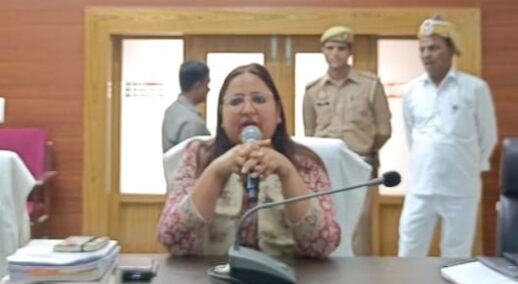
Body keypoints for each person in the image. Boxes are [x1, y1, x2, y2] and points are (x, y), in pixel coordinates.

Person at [157, 63, 340, 259]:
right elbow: (171, 239)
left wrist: (288, 174)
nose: (247, 109)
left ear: (278, 111)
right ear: (221, 115)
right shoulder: (198, 156)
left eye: (259, 99)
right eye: (236, 101)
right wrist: (215, 172)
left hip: (290, 276)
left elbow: (324, 245)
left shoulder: (304, 162)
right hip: (212, 275)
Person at [398, 16, 497, 258]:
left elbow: (488, 136)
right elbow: (411, 136)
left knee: (456, 253)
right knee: (409, 249)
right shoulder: (411, 91)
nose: (426, 55)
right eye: (422, 49)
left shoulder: (474, 88)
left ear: (452, 49)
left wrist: (469, 167)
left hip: (460, 187)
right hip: (421, 186)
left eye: (434, 48)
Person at [303, 25, 391, 255]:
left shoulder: (369, 85)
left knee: (359, 228)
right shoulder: (312, 90)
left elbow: (384, 129)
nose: (335, 54)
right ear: (323, 51)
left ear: (350, 52)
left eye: (341, 48)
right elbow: (310, 132)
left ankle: (360, 277)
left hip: (358, 163)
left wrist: (364, 151)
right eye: (330, 48)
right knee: (325, 223)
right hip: (326, 167)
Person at [161, 60, 211, 153]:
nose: (209, 89)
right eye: (207, 84)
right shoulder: (192, 122)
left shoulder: (172, 109)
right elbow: (192, 159)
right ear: (198, 85)